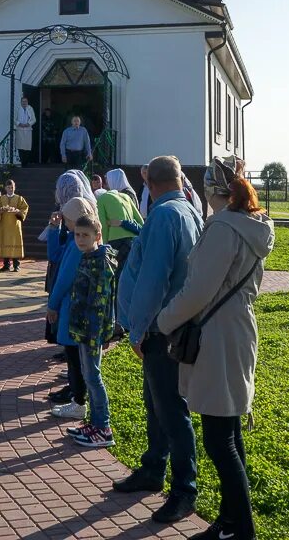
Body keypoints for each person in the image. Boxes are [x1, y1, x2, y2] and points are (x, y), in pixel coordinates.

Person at [157, 157, 274, 540]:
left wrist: (163, 321)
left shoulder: (223, 227)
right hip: (237, 328)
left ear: (211, 191)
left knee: (219, 439)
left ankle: (241, 530)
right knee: (229, 431)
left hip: (218, 334)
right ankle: (229, 521)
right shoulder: (253, 225)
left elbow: (197, 291)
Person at [115, 155, 205, 524]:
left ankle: (185, 489)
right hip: (171, 327)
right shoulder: (187, 210)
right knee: (156, 402)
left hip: (159, 329)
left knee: (170, 409)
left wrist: (137, 329)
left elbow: (154, 279)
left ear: (149, 182)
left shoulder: (165, 215)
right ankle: (154, 467)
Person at [59, 213, 118, 449]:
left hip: (92, 332)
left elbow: (100, 302)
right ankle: (94, 423)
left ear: (98, 236)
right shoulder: (87, 257)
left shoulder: (100, 262)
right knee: (87, 374)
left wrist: (95, 334)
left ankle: (103, 427)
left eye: (86, 235)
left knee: (93, 377)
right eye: (77, 235)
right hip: (83, 329)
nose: (80, 239)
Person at [46, 194, 97, 419]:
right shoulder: (77, 239)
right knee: (76, 357)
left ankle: (79, 401)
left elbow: (64, 278)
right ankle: (79, 398)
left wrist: (53, 304)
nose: (64, 221)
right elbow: (54, 254)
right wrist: (54, 228)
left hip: (71, 306)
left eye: (66, 218)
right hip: (73, 306)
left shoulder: (79, 245)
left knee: (76, 358)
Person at [98, 169, 144, 274]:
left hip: (114, 243)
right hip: (132, 241)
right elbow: (141, 222)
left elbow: (102, 226)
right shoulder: (126, 196)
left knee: (116, 274)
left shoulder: (102, 199)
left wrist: (103, 245)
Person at [0, 180, 29, 272]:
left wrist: (18, 211)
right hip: (4, 225)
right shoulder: (1, 199)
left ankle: (16, 265)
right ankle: (6, 265)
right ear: (5, 188)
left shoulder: (19, 198)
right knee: (5, 243)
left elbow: (25, 208)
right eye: (8, 187)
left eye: (12, 187)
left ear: (14, 187)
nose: (10, 189)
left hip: (15, 226)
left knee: (15, 243)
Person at [15, 96, 37, 167]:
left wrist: (28, 124)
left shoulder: (30, 109)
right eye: (23, 101)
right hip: (20, 129)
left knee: (27, 147)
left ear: (27, 102)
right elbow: (14, 119)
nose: (24, 103)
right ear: (21, 102)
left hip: (28, 130)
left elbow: (34, 119)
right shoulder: (17, 108)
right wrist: (19, 124)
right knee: (20, 147)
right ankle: (22, 162)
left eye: (25, 101)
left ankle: (26, 163)